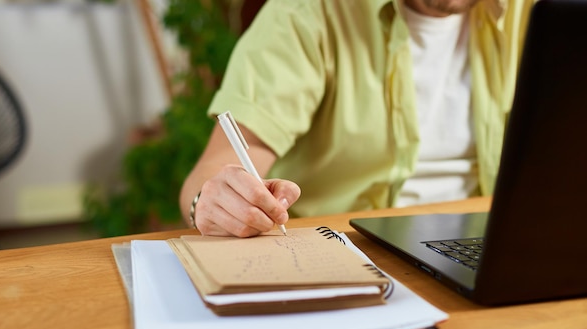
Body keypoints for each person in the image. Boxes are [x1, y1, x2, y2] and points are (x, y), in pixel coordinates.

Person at [180, 0, 535, 237]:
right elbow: (214, 168)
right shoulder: (306, 12)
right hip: (343, 252)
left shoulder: (540, 10)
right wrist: (212, 202)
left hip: (489, 240)